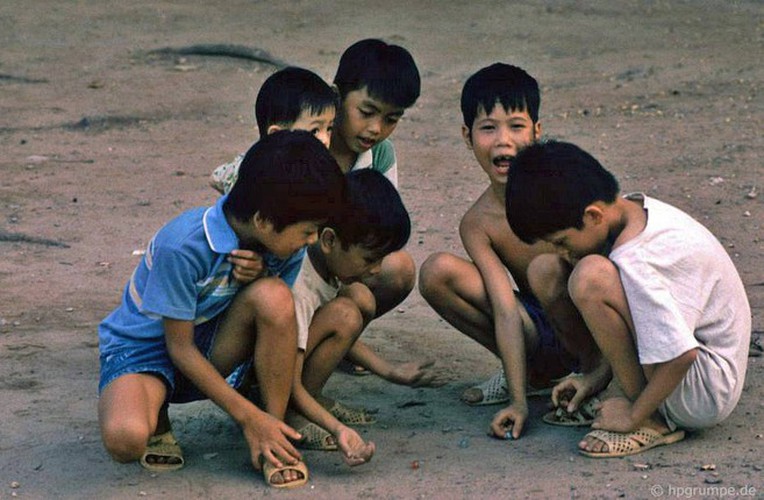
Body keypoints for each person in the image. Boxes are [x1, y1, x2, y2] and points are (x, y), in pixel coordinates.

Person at [97, 131, 346, 488]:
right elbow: (177, 348)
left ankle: (273, 438)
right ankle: (156, 410)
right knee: (126, 438)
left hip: (208, 341)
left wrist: (260, 274)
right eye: (307, 231)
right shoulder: (182, 245)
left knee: (275, 297)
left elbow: (276, 321)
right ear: (263, 222)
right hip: (146, 351)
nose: (311, 241)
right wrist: (246, 418)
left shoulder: (283, 246)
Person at [505, 140, 751, 458]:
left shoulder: (638, 257)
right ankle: (612, 384)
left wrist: (632, 416)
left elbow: (682, 355)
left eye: (563, 241)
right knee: (547, 268)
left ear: (593, 215)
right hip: (688, 363)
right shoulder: (629, 210)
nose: (563, 251)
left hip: (702, 389)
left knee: (590, 276)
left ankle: (652, 420)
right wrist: (596, 377)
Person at [418, 63, 595, 440]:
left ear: (537, 131)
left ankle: (598, 379)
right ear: (467, 136)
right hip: (541, 333)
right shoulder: (478, 223)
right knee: (436, 272)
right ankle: (530, 378)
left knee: (547, 269)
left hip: (596, 326)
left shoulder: (566, 186)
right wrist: (517, 402)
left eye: (516, 126)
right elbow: (504, 308)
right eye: (488, 128)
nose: (503, 141)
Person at [284, 169, 414, 461]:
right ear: (329, 241)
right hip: (267, 375)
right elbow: (286, 376)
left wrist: (390, 372)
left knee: (359, 299)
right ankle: (291, 413)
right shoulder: (300, 289)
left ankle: (310, 400)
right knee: (345, 314)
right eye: (370, 258)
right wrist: (336, 427)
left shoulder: (328, 266)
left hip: (286, 358)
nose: (378, 269)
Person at [209, 66, 338, 194]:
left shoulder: (311, 169)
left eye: (329, 128)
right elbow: (217, 177)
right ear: (277, 136)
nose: (325, 140)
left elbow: (216, 177)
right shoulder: (259, 174)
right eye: (314, 131)